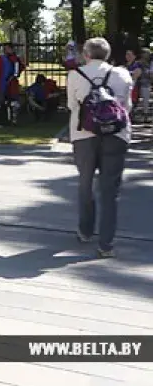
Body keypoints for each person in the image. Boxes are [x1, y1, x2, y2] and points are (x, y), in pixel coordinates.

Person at [67, 37, 132, 258]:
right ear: (108, 54)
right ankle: (106, 243)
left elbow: (71, 105)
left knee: (85, 183)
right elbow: (126, 107)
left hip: (84, 135)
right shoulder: (122, 74)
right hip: (116, 135)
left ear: (86, 54)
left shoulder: (75, 75)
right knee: (110, 190)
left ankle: (85, 231)